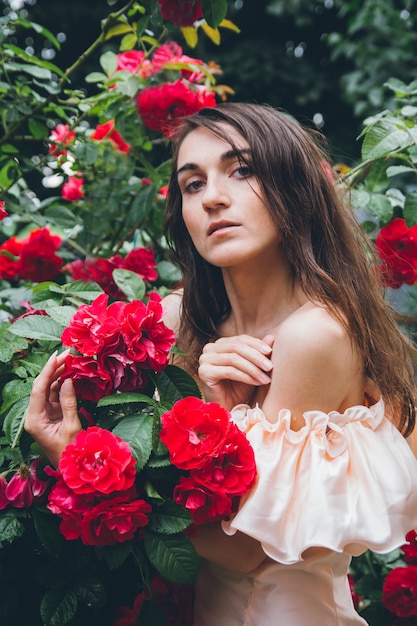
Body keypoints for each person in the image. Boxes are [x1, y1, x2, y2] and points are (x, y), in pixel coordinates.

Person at [25, 102, 417, 626]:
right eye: (192, 184)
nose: (212, 197)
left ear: (295, 189)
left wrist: (87, 471)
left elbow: (246, 551)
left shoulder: (314, 335)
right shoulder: (180, 318)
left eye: (242, 170)